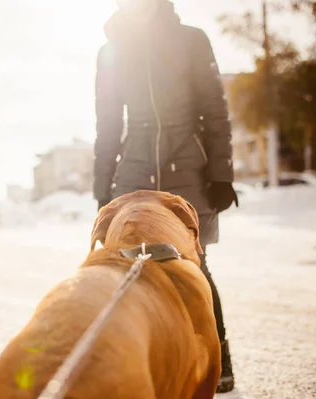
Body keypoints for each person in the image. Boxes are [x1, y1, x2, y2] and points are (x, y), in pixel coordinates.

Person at [93, 0, 238, 393]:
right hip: (134, 170)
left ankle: (218, 357)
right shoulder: (111, 51)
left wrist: (222, 175)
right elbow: (107, 123)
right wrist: (102, 184)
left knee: (193, 267)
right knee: (128, 268)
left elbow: (215, 110)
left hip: (189, 165)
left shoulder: (191, 40)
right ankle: (142, 356)